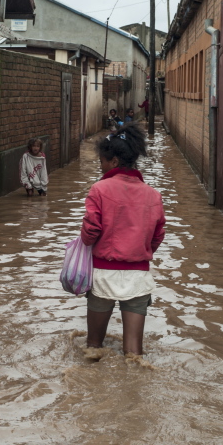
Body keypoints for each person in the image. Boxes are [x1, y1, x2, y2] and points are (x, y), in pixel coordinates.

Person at [80, 123, 166, 355]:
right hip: (138, 276)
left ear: (114, 162)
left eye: (102, 162)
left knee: (94, 347)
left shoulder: (99, 189)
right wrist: (138, 249)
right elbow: (157, 236)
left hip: (103, 275)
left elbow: (90, 234)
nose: (101, 167)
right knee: (133, 352)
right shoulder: (153, 195)